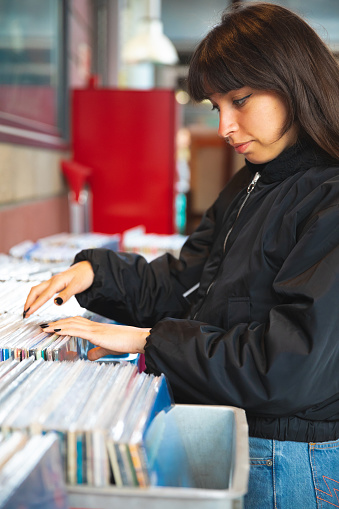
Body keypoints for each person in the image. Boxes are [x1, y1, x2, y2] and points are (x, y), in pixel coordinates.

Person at [23, 2, 339, 507]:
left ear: (294, 82)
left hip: (290, 459)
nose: (224, 128)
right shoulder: (252, 182)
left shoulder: (330, 197)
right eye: (217, 108)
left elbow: (288, 365)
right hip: (240, 431)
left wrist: (152, 340)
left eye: (240, 100)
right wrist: (93, 273)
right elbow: (185, 280)